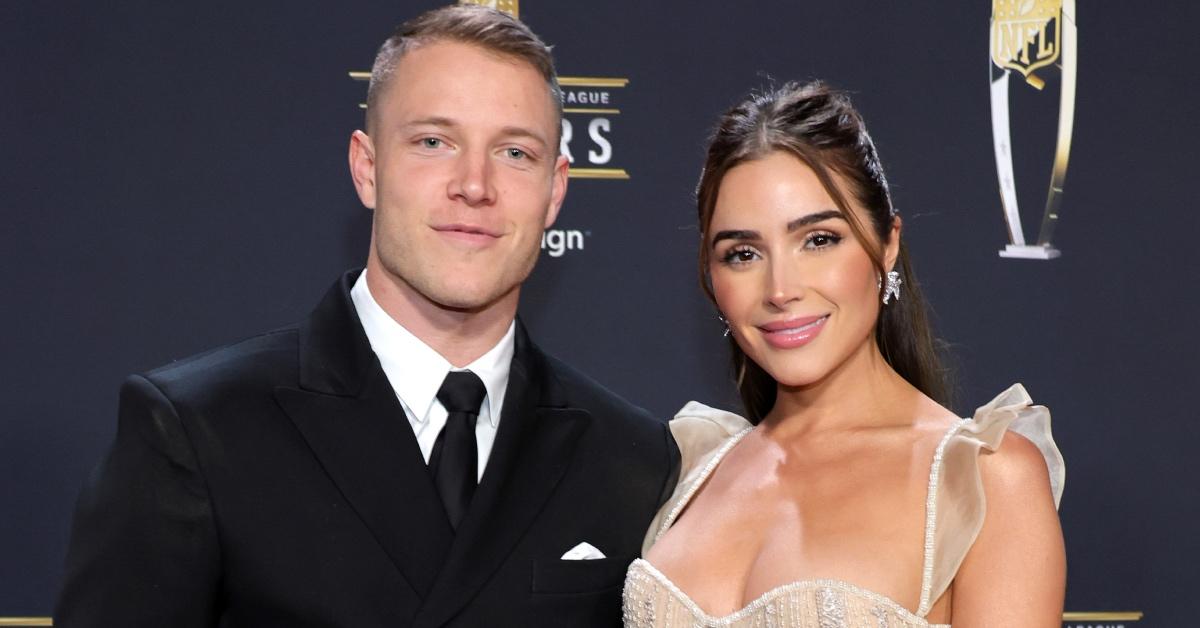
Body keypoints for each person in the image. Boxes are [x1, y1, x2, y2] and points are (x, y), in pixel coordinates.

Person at [56, 6, 678, 627]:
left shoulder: (630, 459)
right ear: (367, 167)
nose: (474, 184)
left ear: (555, 191)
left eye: (514, 152)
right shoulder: (197, 430)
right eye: (434, 142)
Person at [622, 82, 1065, 627]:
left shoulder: (985, 479)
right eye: (742, 253)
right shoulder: (690, 470)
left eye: (818, 240)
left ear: (887, 244)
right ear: (711, 277)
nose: (780, 288)